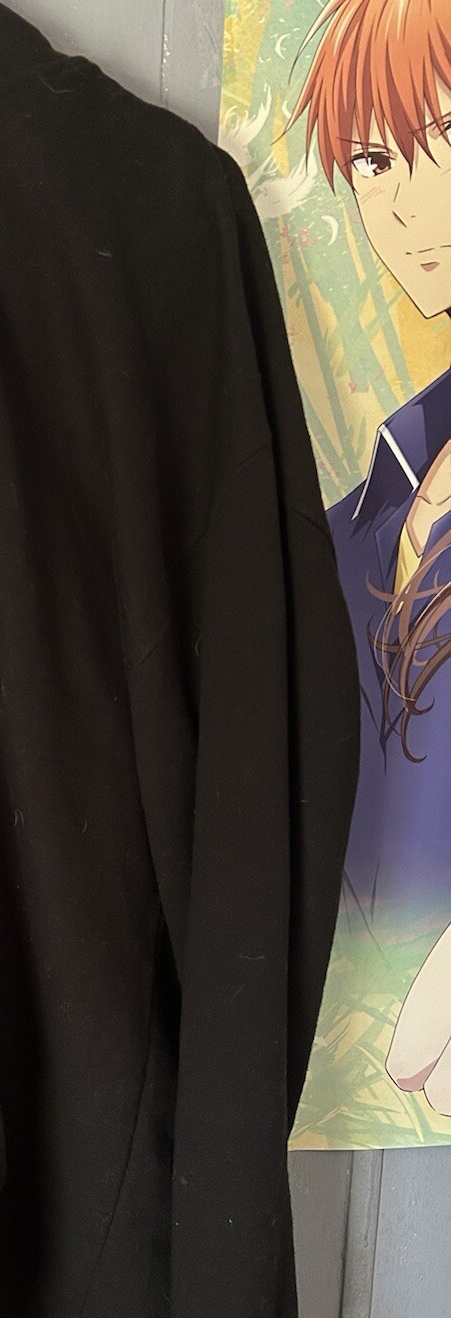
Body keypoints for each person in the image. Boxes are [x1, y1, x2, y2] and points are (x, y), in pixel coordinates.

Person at [291, 0, 451, 1109]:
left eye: (445, 137)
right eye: (375, 160)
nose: (404, 200)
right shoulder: (363, 508)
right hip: (350, 1066)